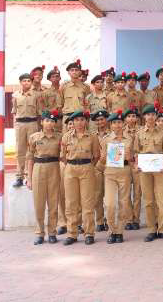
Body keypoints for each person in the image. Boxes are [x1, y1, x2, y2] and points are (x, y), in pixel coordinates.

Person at [60, 110, 101, 245]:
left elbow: (96, 156)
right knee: (71, 203)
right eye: (76, 120)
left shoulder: (92, 137)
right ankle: (72, 234)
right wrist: (71, 165)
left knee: (87, 203)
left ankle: (89, 233)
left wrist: (88, 166)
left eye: (82, 120)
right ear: (72, 122)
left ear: (86, 121)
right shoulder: (66, 137)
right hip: (70, 169)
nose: (79, 123)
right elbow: (63, 156)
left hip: (87, 168)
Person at [134, 103, 163, 242]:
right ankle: (151, 229)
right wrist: (137, 165)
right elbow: (136, 152)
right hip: (145, 171)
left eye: (153, 114)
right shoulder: (139, 133)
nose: (151, 117)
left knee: (162, 200)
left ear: (156, 116)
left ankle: (162, 229)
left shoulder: (162, 132)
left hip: (159, 170)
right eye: (148, 114)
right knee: (149, 201)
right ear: (144, 117)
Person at [26, 109, 62, 245]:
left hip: (54, 168)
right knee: (39, 204)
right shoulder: (34, 137)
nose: (49, 123)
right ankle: (40, 233)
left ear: (55, 123)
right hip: (38, 169)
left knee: (53, 203)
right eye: (47, 120)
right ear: (42, 122)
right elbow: (30, 158)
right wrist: (29, 178)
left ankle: (52, 232)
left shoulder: (59, 137)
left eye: (52, 121)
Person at [98, 110, 133, 244]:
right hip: (110, 172)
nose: (117, 125)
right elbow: (102, 159)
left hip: (125, 171)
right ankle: (112, 229)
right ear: (111, 125)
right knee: (110, 204)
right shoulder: (106, 139)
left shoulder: (130, 139)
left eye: (119, 122)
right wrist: (102, 159)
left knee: (124, 203)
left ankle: (119, 231)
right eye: (114, 123)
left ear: (123, 124)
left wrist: (131, 158)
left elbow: (133, 158)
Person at [12, 73, 43, 187]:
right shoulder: (15, 95)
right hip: (20, 124)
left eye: (29, 81)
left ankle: (30, 176)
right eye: (24, 81)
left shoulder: (36, 95)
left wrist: (39, 128)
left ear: (31, 82)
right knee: (20, 150)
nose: (26, 83)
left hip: (32, 123)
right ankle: (19, 176)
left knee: (32, 150)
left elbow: (39, 113)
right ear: (20, 82)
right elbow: (14, 112)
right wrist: (16, 125)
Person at [91, 110, 110, 233]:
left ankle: (109, 220)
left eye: (102, 119)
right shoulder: (92, 136)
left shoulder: (112, 134)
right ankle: (99, 221)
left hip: (109, 167)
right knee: (97, 195)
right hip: (97, 168)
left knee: (109, 196)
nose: (100, 122)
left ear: (106, 120)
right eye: (97, 120)